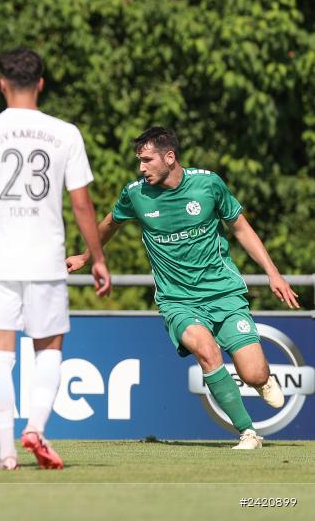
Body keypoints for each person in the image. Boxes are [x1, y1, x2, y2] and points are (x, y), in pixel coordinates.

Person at [66, 126, 300, 449]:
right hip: (177, 300)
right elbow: (109, 223)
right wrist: (85, 256)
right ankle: (248, 432)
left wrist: (273, 273)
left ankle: (262, 380)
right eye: (139, 161)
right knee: (206, 351)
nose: (141, 168)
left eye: (147, 160)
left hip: (224, 293)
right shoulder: (135, 194)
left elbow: (241, 229)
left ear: (169, 157)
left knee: (254, 374)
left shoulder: (208, 185)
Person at [0, 48, 111, 471]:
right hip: (46, 259)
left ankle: (6, 453)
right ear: (40, 83)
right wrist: (97, 257)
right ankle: (35, 428)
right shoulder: (65, 133)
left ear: (2, 83)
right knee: (49, 351)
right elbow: (81, 204)